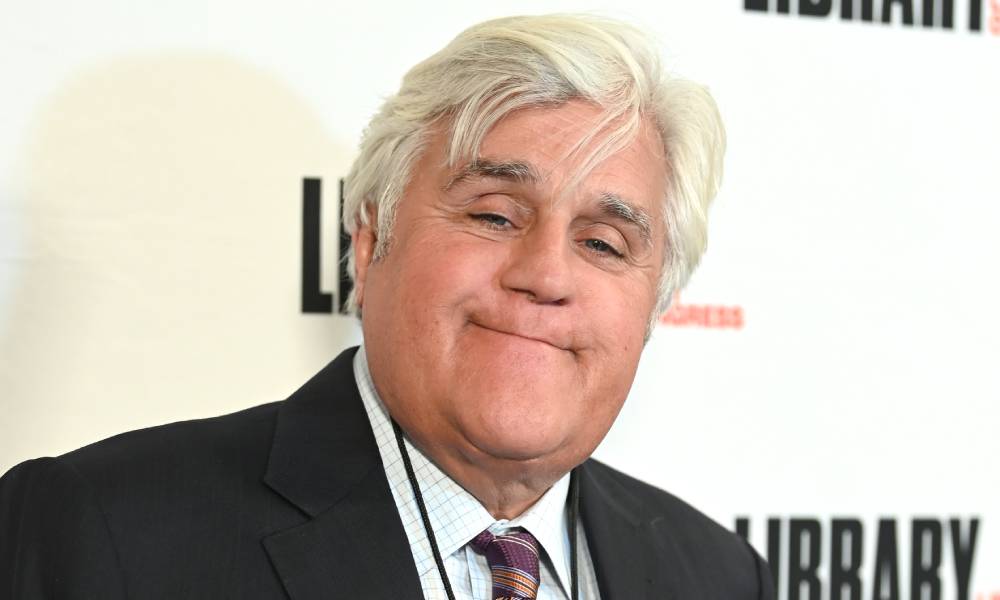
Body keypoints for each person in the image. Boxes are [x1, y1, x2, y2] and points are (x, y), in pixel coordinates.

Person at [0, 14, 773, 600]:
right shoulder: (105, 534)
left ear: (654, 303)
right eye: (495, 215)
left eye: (604, 243)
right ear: (371, 243)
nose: (545, 275)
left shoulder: (717, 576)